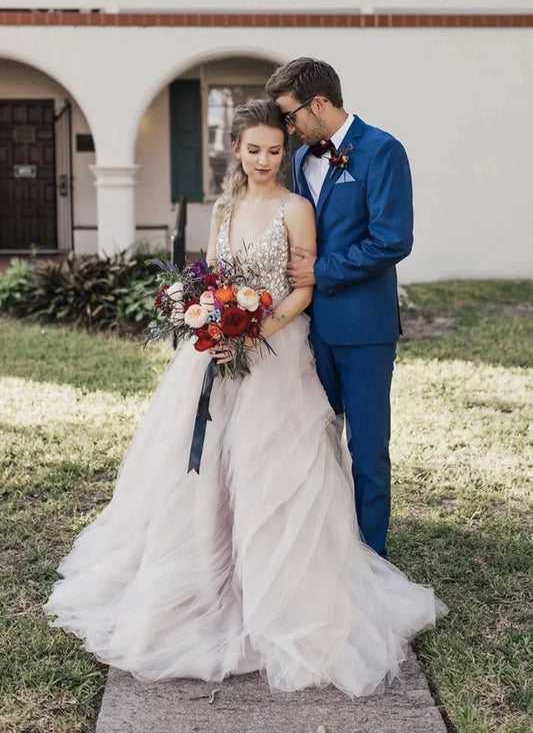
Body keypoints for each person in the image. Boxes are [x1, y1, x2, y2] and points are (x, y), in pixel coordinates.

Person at [44, 99, 445, 698]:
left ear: (286, 152)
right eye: (253, 149)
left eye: (274, 150)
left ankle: (278, 587)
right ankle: (209, 573)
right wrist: (203, 314)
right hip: (217, 351)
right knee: (202, 472)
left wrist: (252, 331)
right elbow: (213, 273)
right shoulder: (225, 206)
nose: (263, 159)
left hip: (275, 353)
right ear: (235, 150)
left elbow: (304, 288)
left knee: (273, 469)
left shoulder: (297, 208)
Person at [266, 58, 413, 559]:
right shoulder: (299, 160)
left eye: (290, 117)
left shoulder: (382, 151)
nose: (288, 128)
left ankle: (371, 559)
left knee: (367, 450)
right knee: (315, 443)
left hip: (364, 330)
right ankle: (325, 550)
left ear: (319, 104)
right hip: (306, 331)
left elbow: (392, 240)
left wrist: (321, 272)